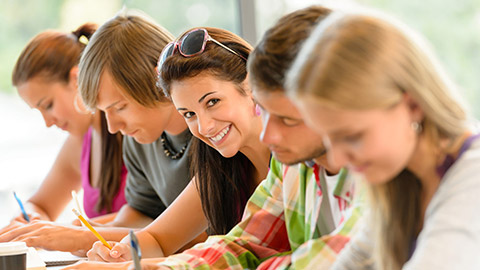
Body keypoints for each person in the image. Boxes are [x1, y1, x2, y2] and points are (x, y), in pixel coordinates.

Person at [63, 6, 361, 270]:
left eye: (212, 102)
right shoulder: (290, 168)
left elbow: (334, 258)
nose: (203, 127)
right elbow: (243, 246)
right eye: (188, 114)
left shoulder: (373, 170)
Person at [287, 8, 480, 270]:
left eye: (352, 137)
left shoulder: (472, 178)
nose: (336, 158)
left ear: (413, 106)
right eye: (328, 138)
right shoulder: (402, 183)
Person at [3, 13, 201, 255]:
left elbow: (191, 235)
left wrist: (82, 237)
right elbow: (141, 213)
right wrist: (90, 232)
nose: (112, 127)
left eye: (119, 107)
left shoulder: (207, 133)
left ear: (155, 78)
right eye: (104, 111)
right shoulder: (139, 140)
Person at [0, 23, 127, 253]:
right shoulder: (80, 144)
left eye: (48, 105)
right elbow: (40, 204)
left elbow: (157, 221)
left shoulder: (132, 130)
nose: (48, 122)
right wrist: (32, 219)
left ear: (76, 80)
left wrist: (73, 233)